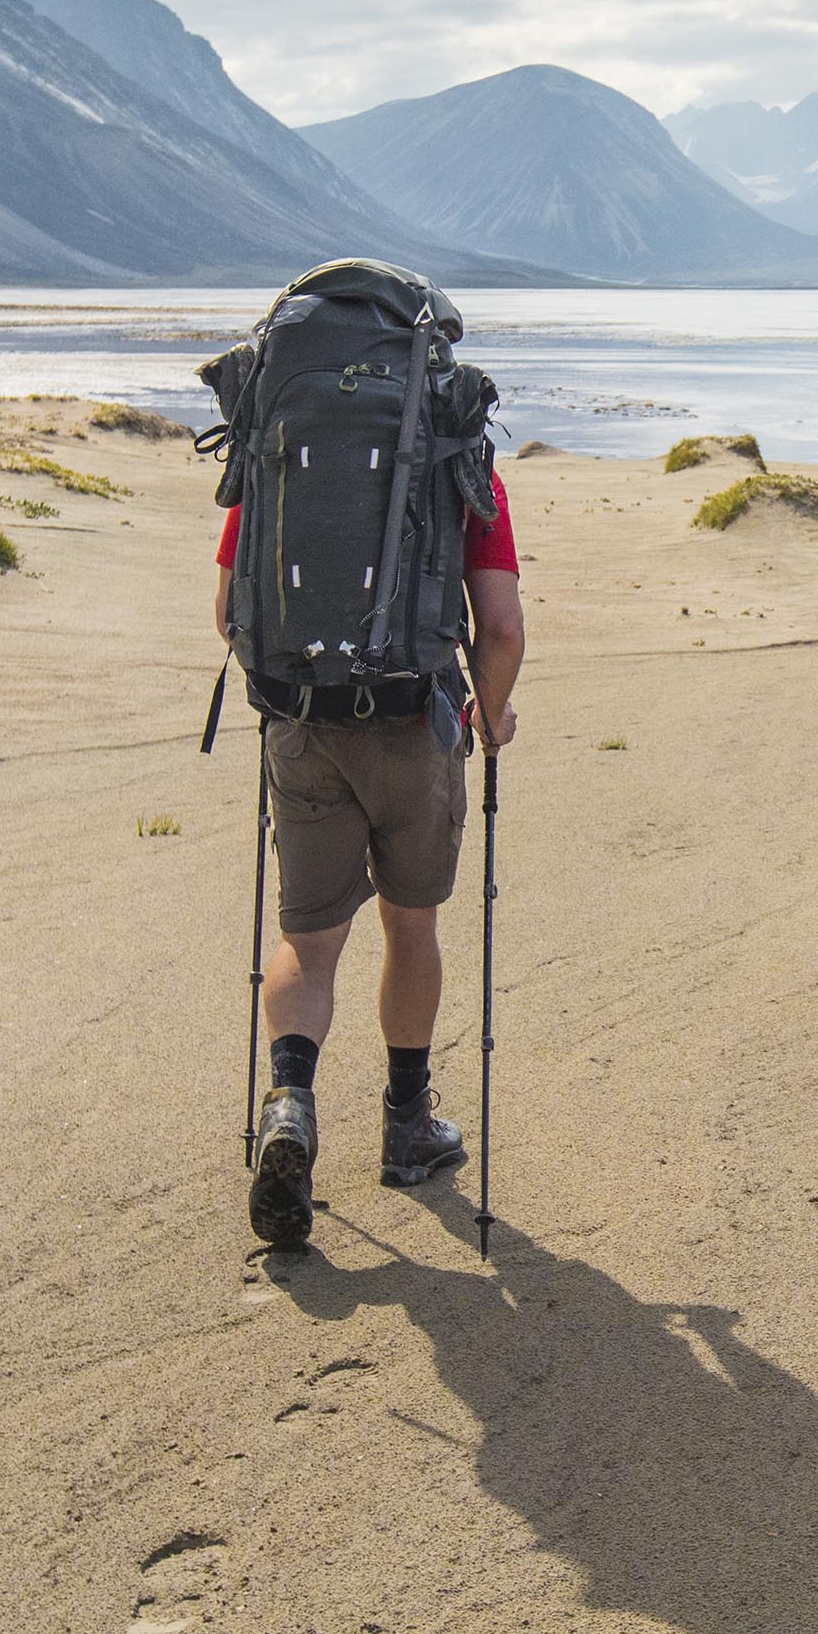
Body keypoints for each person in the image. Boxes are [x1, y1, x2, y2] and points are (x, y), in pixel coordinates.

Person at [202, 295, 527, 1252]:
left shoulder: (275, 434)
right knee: (410, 923)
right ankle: (406, 1122)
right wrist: (491, 711)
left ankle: (292, 1106)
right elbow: (501, 626)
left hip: (302, 720)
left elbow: (229, 609)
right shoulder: (457, 444)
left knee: (308, 935)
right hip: (414, 724)